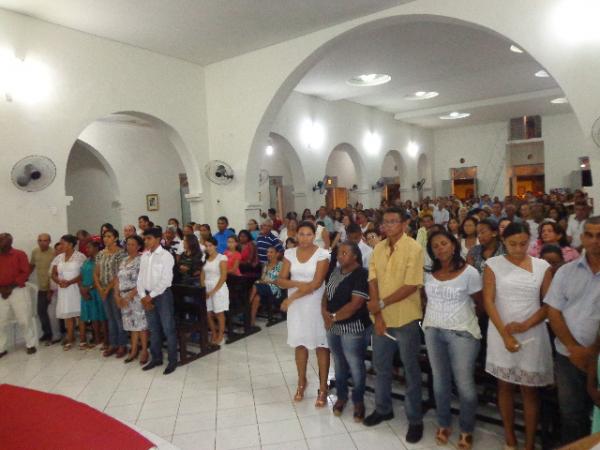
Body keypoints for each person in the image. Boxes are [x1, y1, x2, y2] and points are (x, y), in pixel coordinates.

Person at [484, 222, 553, 450]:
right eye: (512, 244)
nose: (518, 248)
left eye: (523, 243)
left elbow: (548, 304)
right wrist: (505, 334)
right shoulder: (493, 264)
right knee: (505, 385)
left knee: (529, 389)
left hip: (532, 332)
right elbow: (488, 301)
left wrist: (525, 325)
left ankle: (530, 443)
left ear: (530, 241)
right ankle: (510, 437)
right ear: (504, 241)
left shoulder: (542, 266)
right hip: (501, 329)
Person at [364, 207, 425, 444]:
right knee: (381, 366)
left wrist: (380, 303)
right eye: (385, 222)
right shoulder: (378, 248)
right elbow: (373, 279)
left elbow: (411, 285)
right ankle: (383, 408)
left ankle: (415, 420)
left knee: (411, 370)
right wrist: (378, 315)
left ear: (404, 223)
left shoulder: (414, 248)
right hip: (381, 320)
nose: (388, 226)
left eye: (393, 221)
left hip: (406, 318)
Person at [423, 230, 482, 450]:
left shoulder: (470, 273)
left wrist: (463, 320)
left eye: (444, 243)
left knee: (464, 385)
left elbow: (480, 304)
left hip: (462, 333)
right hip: (433, 331)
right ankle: (443, 423)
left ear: (454, 245)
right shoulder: (429, 273)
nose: (440, 248)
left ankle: (466, 429)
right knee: (440, 382)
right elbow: (424, 299)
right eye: (435, 246)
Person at [544, 216, 600, 445]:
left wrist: (591, 352)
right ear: (582, 238)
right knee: (571, 415)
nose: (595, 241)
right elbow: (553, 312)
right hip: (568, 356)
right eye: (590, 235)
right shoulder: (566, 272)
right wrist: (574, 348)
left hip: (598, 358)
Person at [276, 221, 330, 407]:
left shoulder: (322, 254)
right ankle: (301, 381)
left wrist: (291, 298)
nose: (304, 238)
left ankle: (323, 387)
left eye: (308, 234)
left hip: (315, 303)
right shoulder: (289, 253)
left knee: (321, 345)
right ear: (296, 235)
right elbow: (280, 280)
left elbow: (316, 284)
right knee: (300, 343)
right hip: (297, 306)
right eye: (301, 234)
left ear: (314, 235)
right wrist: (299, 285)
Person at [322, 241, 371, 422]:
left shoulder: (362, 274)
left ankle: (358, 401)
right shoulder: (336, 272)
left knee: (356, 365)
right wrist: (324, 313)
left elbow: (355, 304)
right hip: (333, 326)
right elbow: (326, 295)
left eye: (344, 253)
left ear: (355, 256)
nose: (340, 256)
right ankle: (342, 397)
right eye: (339, 253)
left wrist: (332, 317)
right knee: (339, 363)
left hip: (353, 327)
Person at [138, 227, 178, 375]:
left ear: (157, 239)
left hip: (162, 295)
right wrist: (143, 295)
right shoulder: (145, 256)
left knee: (168, 328)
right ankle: (156, 358)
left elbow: (166, 280)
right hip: (147, 295)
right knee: (153, 329)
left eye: (148, 238)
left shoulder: (166, 256)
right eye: (145, 239)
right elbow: (140, 278)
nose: (146, 241)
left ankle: (173, 360)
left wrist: (151, 296)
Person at [0, 233, 37, 357]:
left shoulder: (19, 254)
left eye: (1, 240)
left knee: (24, 319)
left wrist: (10, 287)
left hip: (17, 290)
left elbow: (25, 272)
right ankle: (1, 348)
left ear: (10, 242)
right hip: (1, 291)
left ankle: (30, 344)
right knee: (1, 321)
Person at [94, 228, 128, 358]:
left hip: (115, 290)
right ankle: (113, 344)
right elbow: (96, 273)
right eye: (104, 236)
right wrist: (99, 288)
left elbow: (118, 275)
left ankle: (122, 345)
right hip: (102, 290)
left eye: (109, 236)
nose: (106, 239)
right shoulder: (101, 253)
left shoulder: (121, 253)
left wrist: (107, 289)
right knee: (110, 319)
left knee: (118, 318)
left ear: (115, 238)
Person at [115, 235, 148, 364]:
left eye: (133, 244)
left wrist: (129, 296)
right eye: (128, 244)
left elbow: (142, 281)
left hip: (136, 296)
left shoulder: (142, 260)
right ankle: (134, 350)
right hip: (123, 297)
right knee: (131, 325)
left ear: (139, 246)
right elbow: (117, 279)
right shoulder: (124, 260)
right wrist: (117, 296)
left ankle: (144, 350)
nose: (129, 247)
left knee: (141, 325)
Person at [51, 235, 86, 350]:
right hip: (63, 290)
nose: (60, 246)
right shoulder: (59, 257)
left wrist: (70, 282)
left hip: (76, 288)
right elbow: (53, 273)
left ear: (71, 244)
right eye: (60, 243)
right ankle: (70, 339)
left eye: (63, 243)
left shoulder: (80, 256)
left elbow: (83, 274)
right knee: (68, 316)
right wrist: (59, 281)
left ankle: (83, 339)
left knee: (79, 315)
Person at [79, 240, 106, 348]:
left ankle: (106, 338)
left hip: (97, 291)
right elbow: (81, 276)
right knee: (93, 316)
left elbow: (102, 278)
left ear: (96, 248)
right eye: (86, 248)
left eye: (89, 247)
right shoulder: (86, 261)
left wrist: (90, 288)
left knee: (102, 316)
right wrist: (82, 288)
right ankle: (97, 337)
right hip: (86, 291)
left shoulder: (101, 260)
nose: (87, 250)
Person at [203, 237, 229, 345]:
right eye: (206, 246)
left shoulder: (221, 258)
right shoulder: (204, 258)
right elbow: (202, 274)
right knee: (208, 312)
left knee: (219, 312)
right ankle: (213, 332)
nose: (208, 248)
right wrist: (203, 288)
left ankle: (221, 335)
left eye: (210, 245)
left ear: (215, 246)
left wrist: (213, 291)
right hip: (207, 287)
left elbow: (223, 276)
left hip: (218, 288)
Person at [29, 233, 55, 343]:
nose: (42, 242)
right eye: (39, 240)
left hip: (53, 288)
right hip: (41, 288)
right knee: (41, 311)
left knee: (55, 313)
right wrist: (24, 277)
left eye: (45, 240)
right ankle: (47, 333)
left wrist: (51, 289)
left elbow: (55, 271)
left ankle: (60, 332)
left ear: (49, 241)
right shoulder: (35, 252)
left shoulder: (54, 253)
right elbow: (31, 265)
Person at [250, 246, 283, 326]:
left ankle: (248, 303)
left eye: (271, 252)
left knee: (255, 285)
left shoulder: (281, 265)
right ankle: (252, 321)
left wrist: (265, 282)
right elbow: (262, 278)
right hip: (264, 288)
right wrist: (262, 281)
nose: (268, 254)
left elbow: (280, 281)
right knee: (257, 298)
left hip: (275, 288)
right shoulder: (265, 265)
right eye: (267, 252)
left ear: (277, 254)